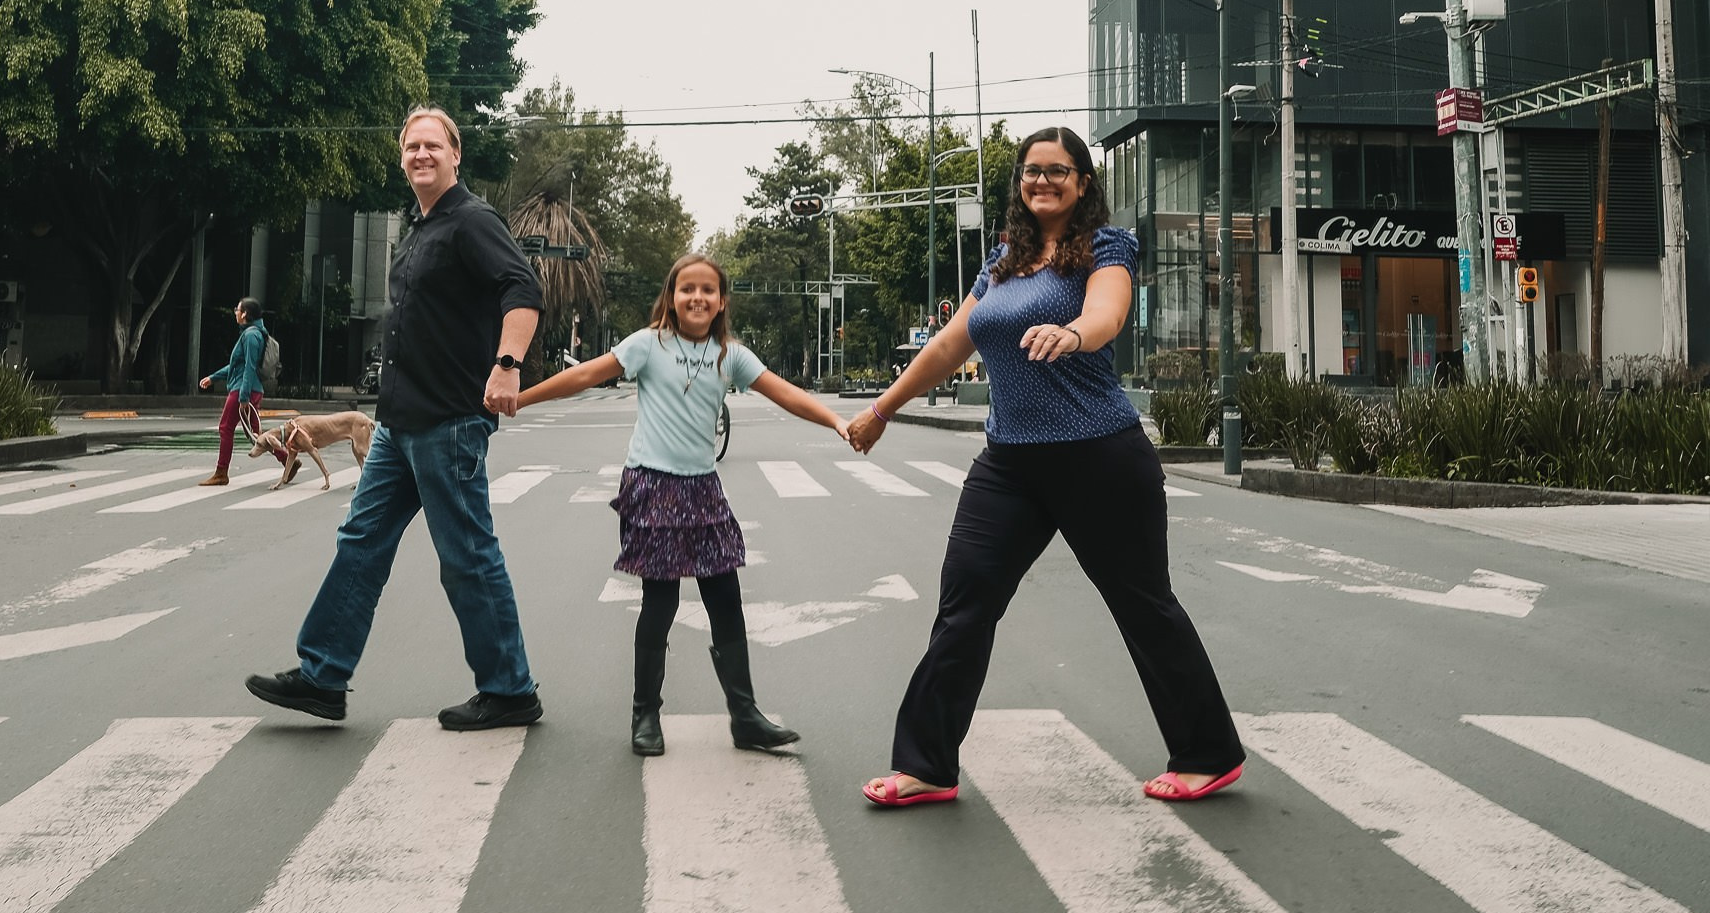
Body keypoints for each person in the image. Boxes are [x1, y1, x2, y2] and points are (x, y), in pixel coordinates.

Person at [849, 126, 1246, 808]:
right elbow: (949, 346)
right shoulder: (1003, 261)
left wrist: (1073, 333)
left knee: (1144, 606)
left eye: (1057, 170)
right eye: (1031, 171)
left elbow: (1107, 313)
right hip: (1009, 464)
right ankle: (927, 765)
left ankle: (1208, 753)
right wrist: (882, 409)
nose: (1042, 181)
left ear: (1083, 181)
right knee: (964, 605)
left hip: (1099, 457)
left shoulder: (1106, 247)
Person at [245, 106, 546, 731]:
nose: (421, 155)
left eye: (433, 145)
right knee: (360, 542)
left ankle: (510, 689)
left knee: (466, 555)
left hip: (450, 421)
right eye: (412, 147)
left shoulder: (472, 221)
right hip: (397, 425)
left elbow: (522, 289)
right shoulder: (417, 230)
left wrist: (507, 365)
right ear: (402, 158)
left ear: (455, 154)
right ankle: (324, 675)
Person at [515, 252, 848, 756]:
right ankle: (645, 715)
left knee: (725, 598)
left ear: (722, 301)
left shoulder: (730, 354)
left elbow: (784, 393)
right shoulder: (647, 345)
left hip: (702, 488)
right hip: (653, 486)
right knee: (661, 602)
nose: (697, 297)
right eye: (686, 288)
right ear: (671, 297)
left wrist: (838, 422)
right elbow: (585, 376)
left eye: (707, 290)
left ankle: (745, 716)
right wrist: (522, 398)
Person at [199, 297, 287, 487]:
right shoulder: (254, 333)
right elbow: (237, 365)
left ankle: (221, 472)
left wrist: (243, 396)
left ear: (245, 313)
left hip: (243, 388)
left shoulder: (251, 336)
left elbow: (249, 367)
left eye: (237, 310)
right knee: (256, 435)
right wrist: (213, 377)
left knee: (225, 428)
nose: (236, 313)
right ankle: (287, 460)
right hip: (252, 388)